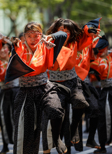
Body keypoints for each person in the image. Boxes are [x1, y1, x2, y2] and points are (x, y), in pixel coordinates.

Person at [42, 18, 101, 154]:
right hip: (54, 84)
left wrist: (89, 30)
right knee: (57, 113)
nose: (64, 33)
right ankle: (57, 140)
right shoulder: (49, 42)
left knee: (81, 102)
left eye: (67, 31)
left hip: (73, 81)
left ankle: (75, 129)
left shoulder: (75, 42)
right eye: (61, 30)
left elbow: (86, 35)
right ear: (55, 31)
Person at [8, 22, 68, 154]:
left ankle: (57, 139)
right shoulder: (20, 47)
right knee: (28, 131)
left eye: (36, 35)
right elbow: (13, 53)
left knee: (56, 110)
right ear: (24, 36)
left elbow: (63, 35)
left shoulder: (45, 45)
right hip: (26, 91)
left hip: (44, 88)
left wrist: (48, 38)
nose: (33, 39)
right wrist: (14, 44)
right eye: (29, 36)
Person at [90, 37, 112, 153]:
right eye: (100, 50)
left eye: (104, 49)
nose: (103, 51)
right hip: (107, 91)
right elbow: (93, 67)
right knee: (104, 117)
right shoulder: (96, 61)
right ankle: (103, 144)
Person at [0, 43, 19, 154]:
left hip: (16, 91)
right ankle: (5, 145)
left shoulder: (14, 58)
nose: (2, 50)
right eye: (0, 48)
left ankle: (18, 143)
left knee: (16, 117)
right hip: (3, 91)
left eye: (4, 47)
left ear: (9, 49)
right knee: (4, 117)